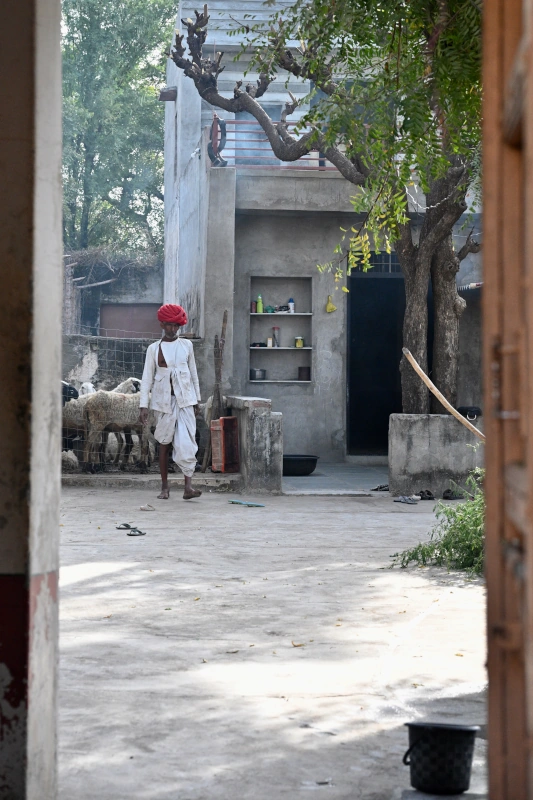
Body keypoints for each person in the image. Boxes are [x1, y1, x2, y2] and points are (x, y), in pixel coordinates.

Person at [139, 303, 202, 500]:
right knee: (164, 443)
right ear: (162, 325)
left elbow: (193, 374)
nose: (173, 329)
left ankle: (188, 488)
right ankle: (164, 488)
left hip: (186, 401)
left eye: (176, 326)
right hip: (163, 403)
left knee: (187, 444)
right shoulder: (153, 349)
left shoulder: (187, 346)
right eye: (169, 325)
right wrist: (143, 405)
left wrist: (197, 400)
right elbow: (147, 378)